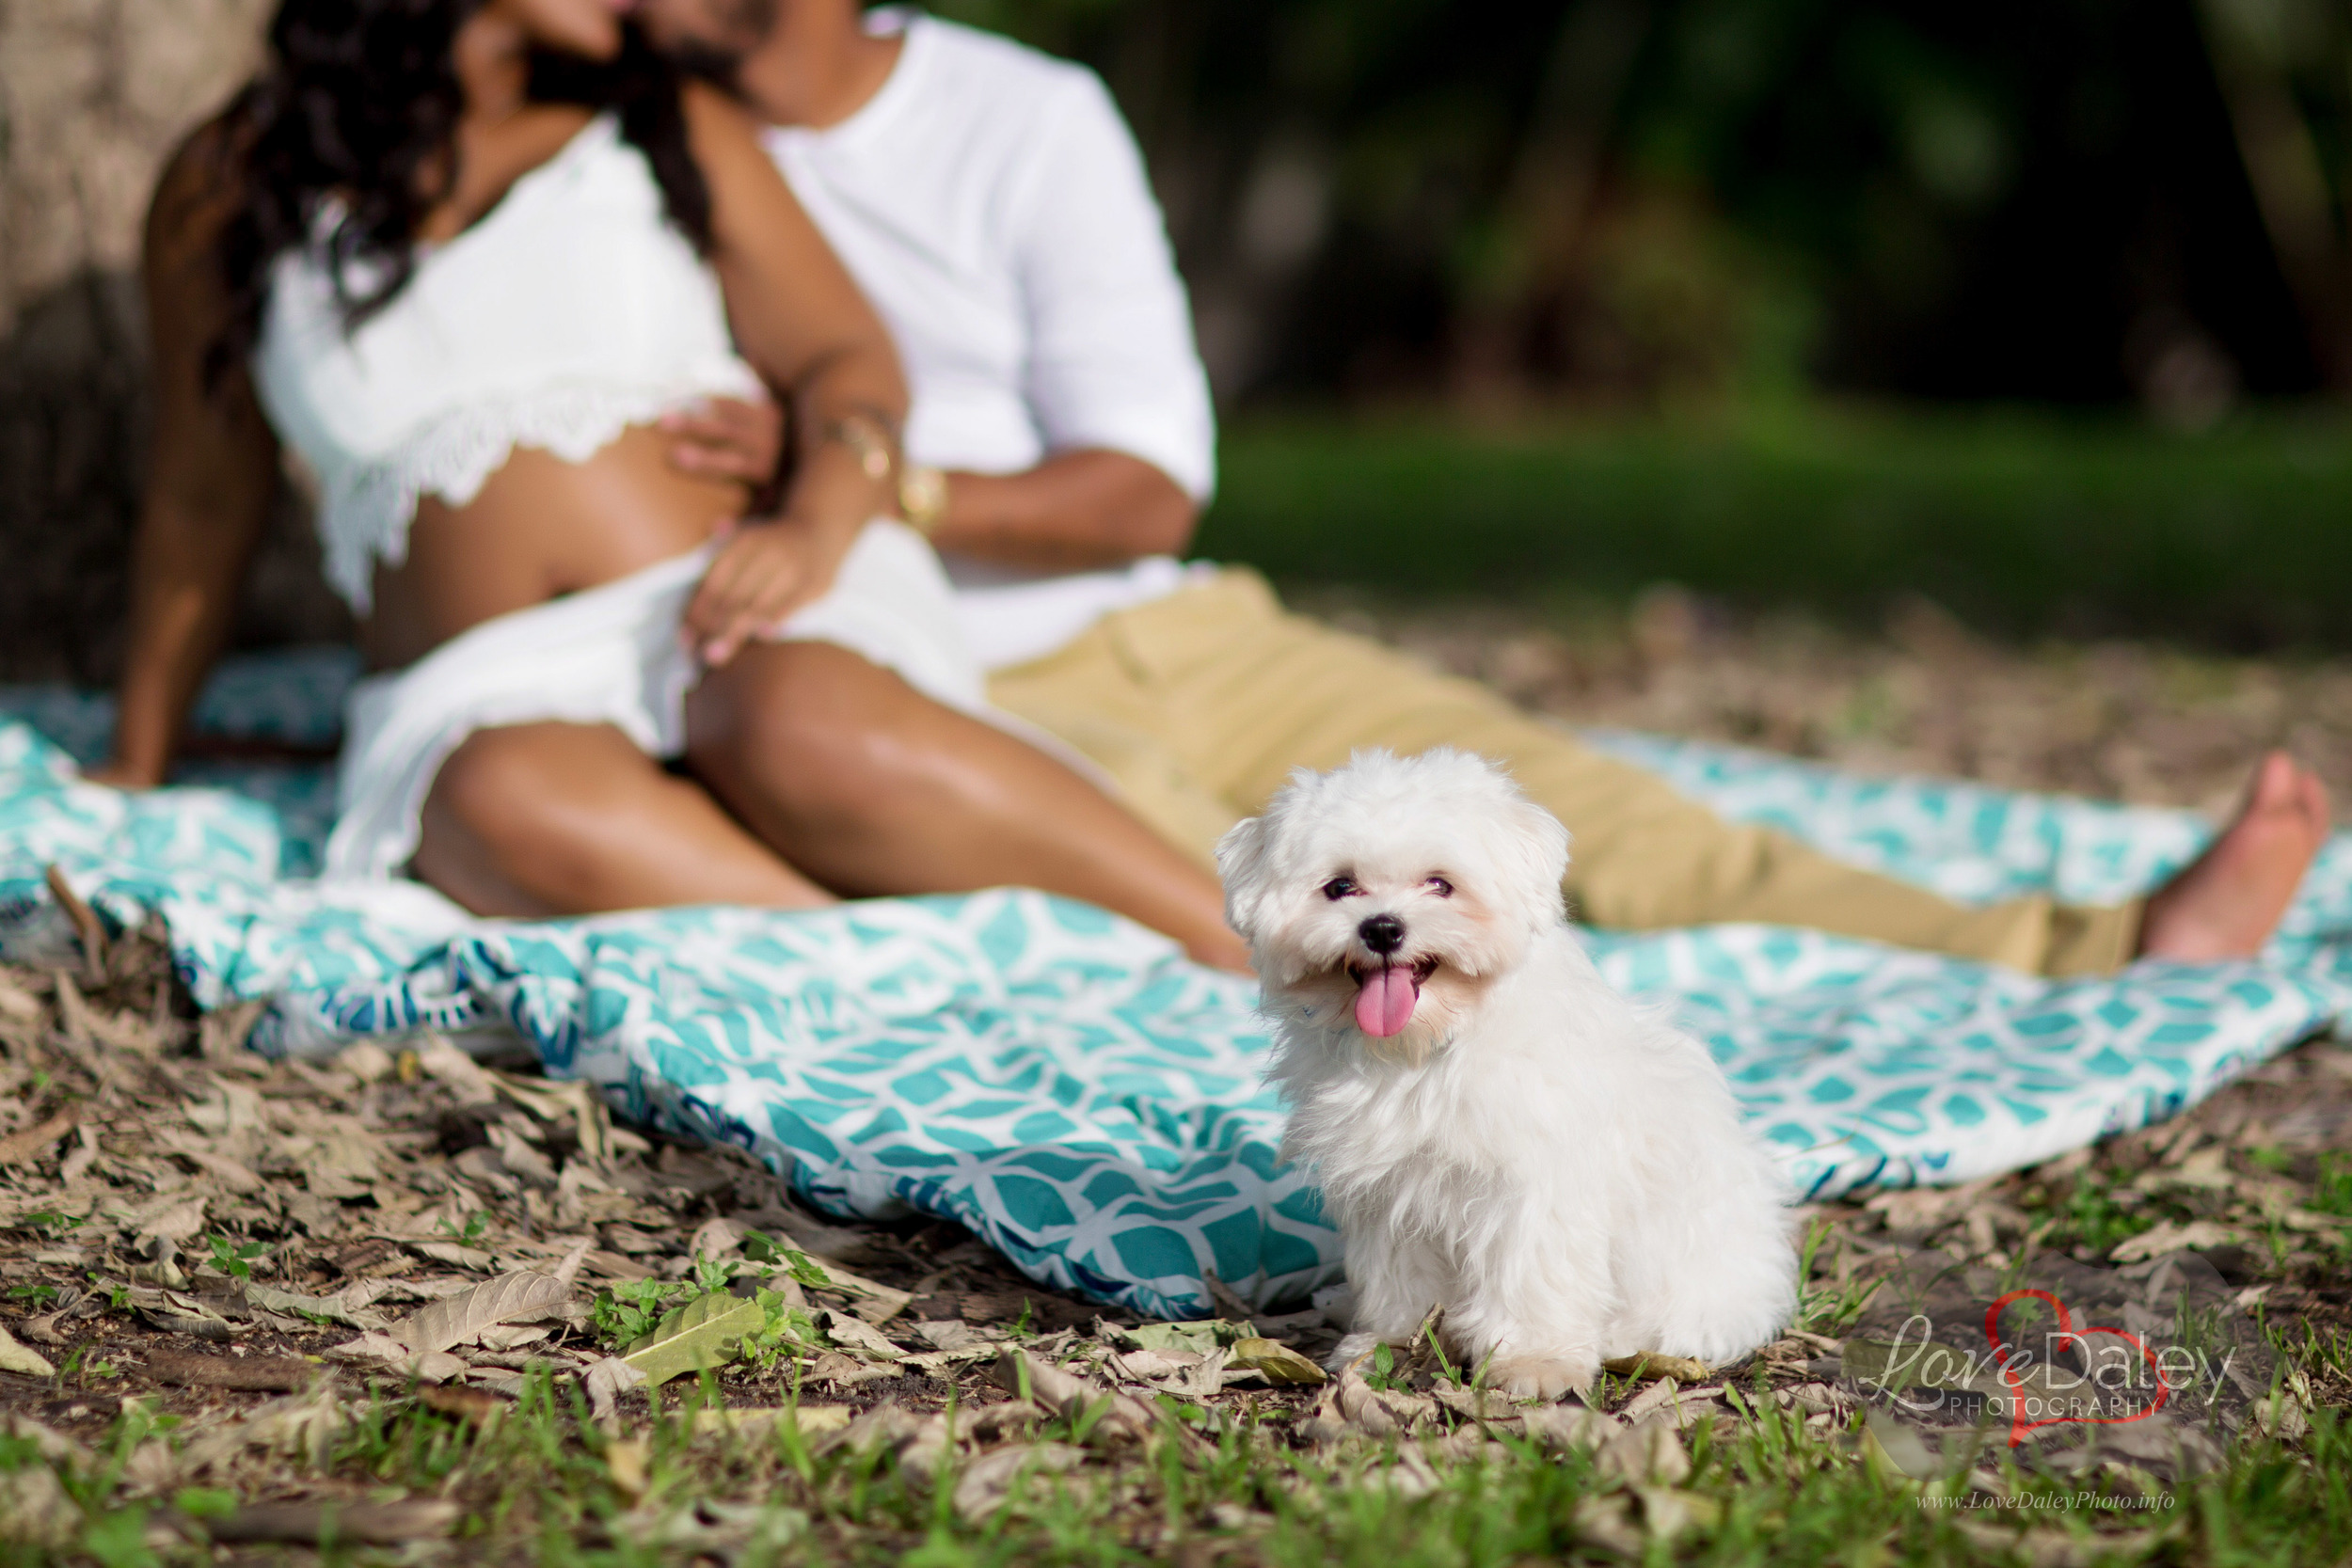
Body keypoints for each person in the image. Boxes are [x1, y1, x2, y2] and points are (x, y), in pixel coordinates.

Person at [632, 0, 2331, 977]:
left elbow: (1148, 488)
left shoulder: (1020, 117)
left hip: (1153, 621)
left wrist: (870, 485)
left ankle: (2088, 950)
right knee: (1274, 918)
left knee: (1596, 826)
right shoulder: (604, 162)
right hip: (904, 687)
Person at [91, 0, 1248, 971]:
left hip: (733, 593)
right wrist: (140, 756)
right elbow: (202, 497)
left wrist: (815, 519)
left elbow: (847, 361)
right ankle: (946, 992)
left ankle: (1265, 959)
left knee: (796, 721)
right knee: (502, 799)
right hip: (473, 684)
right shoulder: (225, 188)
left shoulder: (661, 121)